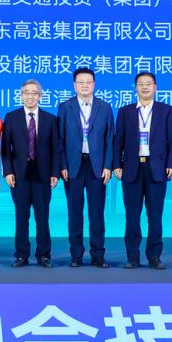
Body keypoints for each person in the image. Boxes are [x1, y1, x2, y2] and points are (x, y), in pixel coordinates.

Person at [113, 72, 172, 270]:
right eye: (141, 84)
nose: (144, 87)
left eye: (148, 84)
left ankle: (154, 256)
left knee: (155, 216)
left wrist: (171, 164)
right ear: (135, 88)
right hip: (131, 169)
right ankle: (132, 257)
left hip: (157, 169)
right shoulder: (125, 112)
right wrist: (116, 164)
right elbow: (118, 141)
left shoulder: (166, 111)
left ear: (155, 87)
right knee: (132, 216)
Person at [58, 67, 114, 268]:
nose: (84, 85)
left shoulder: (104, 107)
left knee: (96, 213)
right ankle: (76, 255)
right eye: (80, 82)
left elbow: (110, 140)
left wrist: (108, 166)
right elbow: (60, 139)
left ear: (94, 84)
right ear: (74, 85)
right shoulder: (65, 107)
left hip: (96, 166)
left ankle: (98, 255)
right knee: (74, 212)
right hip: (73, 166)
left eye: (88, 82)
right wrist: (62, 165)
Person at [0, 79, 60, 268]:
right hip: (19, 175)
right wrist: (8, 171)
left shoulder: (50, 119)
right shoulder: (11, 117)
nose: (30, 96)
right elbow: (5, 148)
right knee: (21, 216)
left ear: (40, 96)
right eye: (26, 92)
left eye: (34, 93)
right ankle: (21, 255)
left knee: (42, 217)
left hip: (43, 175)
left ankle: (44, 255)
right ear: (21, 95)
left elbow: (55, 149)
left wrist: (55, 173)